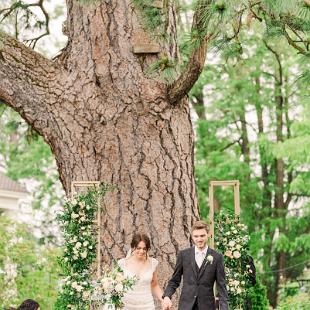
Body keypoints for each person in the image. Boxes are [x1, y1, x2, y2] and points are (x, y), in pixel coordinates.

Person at [162, 220, 229, 310]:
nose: (199, 239)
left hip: (207, 306)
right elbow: (174, 281)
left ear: (208, 235)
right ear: (192, 237)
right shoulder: (183, 255)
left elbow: (221, 286)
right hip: (186, 306)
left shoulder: (217, 257)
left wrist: (224, 308)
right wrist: (167, 296)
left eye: (202, 236)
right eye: (196, 236)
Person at [117, 233, 164, 309]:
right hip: (127, 305)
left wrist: (163, 300)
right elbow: (116, 286)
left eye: (144, 248)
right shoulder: (123, 264)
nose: (141, 251)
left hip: (147, 305)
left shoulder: (153, 263)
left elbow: (154, 285)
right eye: (138, 248)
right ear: (133, 247)